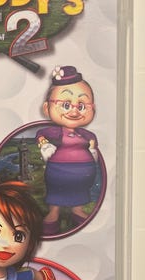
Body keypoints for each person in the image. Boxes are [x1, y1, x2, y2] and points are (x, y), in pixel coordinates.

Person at [36, 66, 104, 235]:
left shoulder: (86, 134)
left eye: (82, 105)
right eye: (66, 105)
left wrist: (92, 148)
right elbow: (40, 134)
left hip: (82, 179)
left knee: (79, 196)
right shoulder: (54, 132)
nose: (74, 110)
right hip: (58, 172)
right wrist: (44, 144)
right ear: (47, 108)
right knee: (56, 197)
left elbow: (92, 141)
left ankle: (77, 211)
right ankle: (53, 213)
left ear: (92, 109)